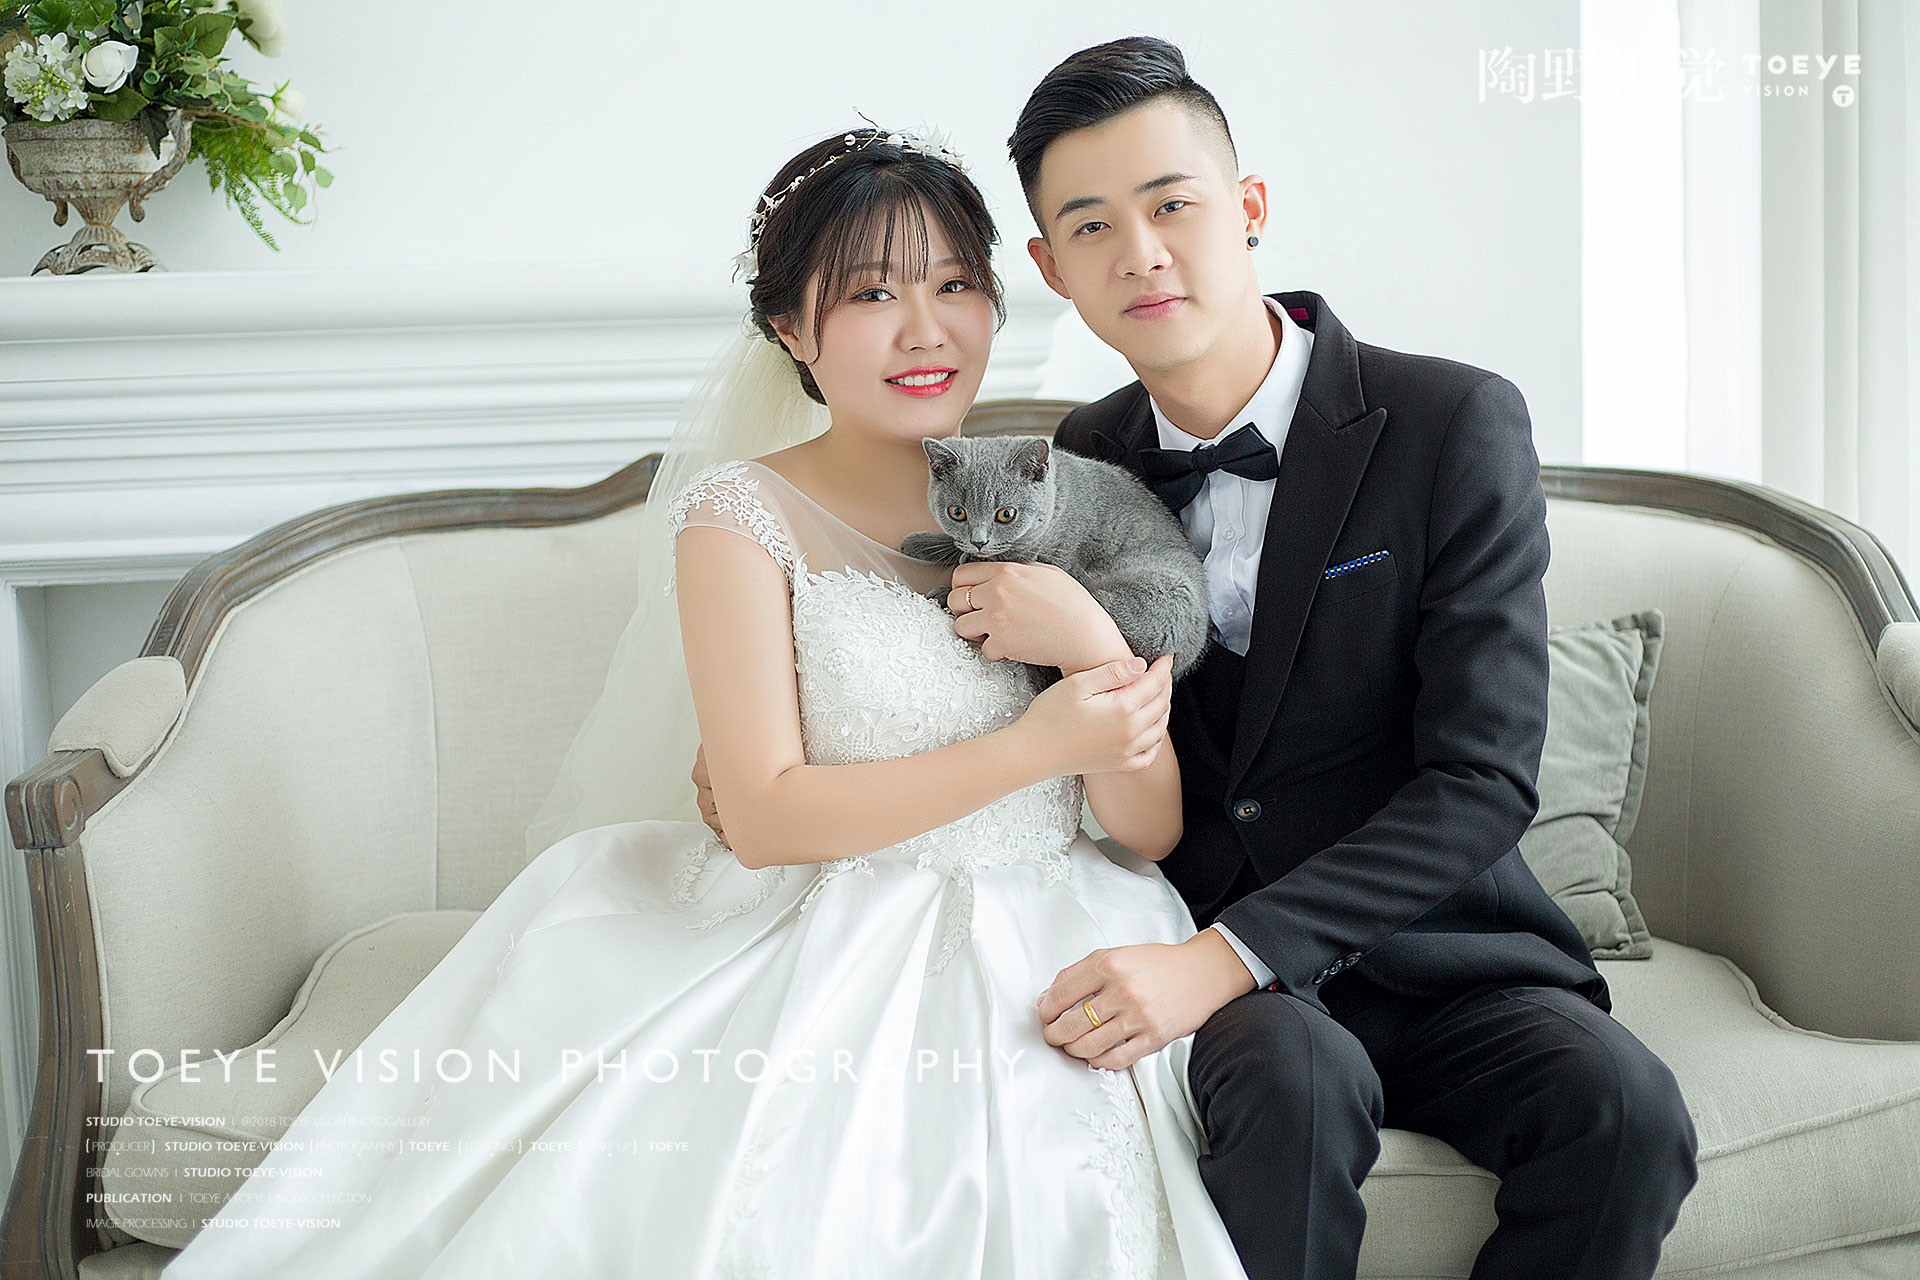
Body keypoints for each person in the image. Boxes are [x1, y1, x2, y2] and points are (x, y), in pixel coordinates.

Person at [158, 125, 1251, 1279]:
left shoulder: (1049, 492)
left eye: (953, 286)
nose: (926, 329)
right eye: (871, 293)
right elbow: (766, 813)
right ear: (790, 328)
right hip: (830, 922)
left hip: (1065, 925)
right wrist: (1036, 746)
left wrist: (1088, 647)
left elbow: (1149, 828)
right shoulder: (741, 515)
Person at [696, 36, 1703, 1280]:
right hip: (1229, 974)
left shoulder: (1451, 421)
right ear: (1052, 268)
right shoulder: (1070, 460)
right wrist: (762, 742)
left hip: (1442, 954)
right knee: (1291, 1098)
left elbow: (1482, 779)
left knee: (1628, 1115)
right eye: (1092, 226)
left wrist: (1218, 958)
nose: (1142, 252)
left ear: (1250, 206)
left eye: (1172, 203)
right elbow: (985, 667)